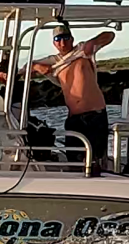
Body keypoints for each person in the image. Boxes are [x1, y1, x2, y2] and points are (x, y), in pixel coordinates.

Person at [31, 23, 115, 174]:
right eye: (58, 39)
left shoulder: (82, 51)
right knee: (73, 161)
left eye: (66, 38)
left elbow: (110, 35)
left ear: (72, 39)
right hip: (74, 118)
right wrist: (38, 67)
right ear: (54, 43)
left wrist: (93, 42)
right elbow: (26, 68)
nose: (62, 43)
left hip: (94, 115)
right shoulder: (54, 60)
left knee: (94, 160)